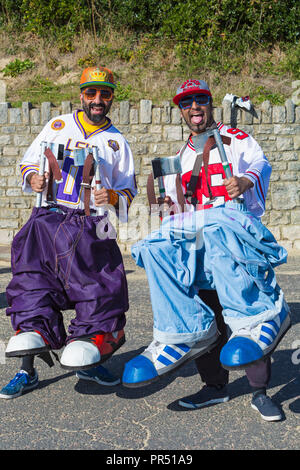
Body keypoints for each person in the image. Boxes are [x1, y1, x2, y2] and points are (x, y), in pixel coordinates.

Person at [122, 79, 291, 421]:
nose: (194, 108)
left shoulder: (235, 139)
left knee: (243, 315)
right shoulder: (182, 156)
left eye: (200, 100)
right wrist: (168, 206)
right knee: (202, 311)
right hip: (198, 244)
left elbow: (261, 165)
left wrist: (244, 181)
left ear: (210, 104)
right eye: (187, 103)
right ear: (181, 111)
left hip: (231, 234)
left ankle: (259, 391)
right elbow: (176, 210)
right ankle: (213, 386)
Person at [0, 66, 137, 399]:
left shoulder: (117, 141)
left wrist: (114, 197)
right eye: (91, 93)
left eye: (104, 93)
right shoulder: (57, 125)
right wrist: (33, 178)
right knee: (32, 284)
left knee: (99, 289)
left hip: (93, 223)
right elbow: (28, 163)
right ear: (81, 95)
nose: (97, 99)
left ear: (111, 98)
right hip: (48, 217)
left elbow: (128, 190)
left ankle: (89, 360)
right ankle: (27, 370)